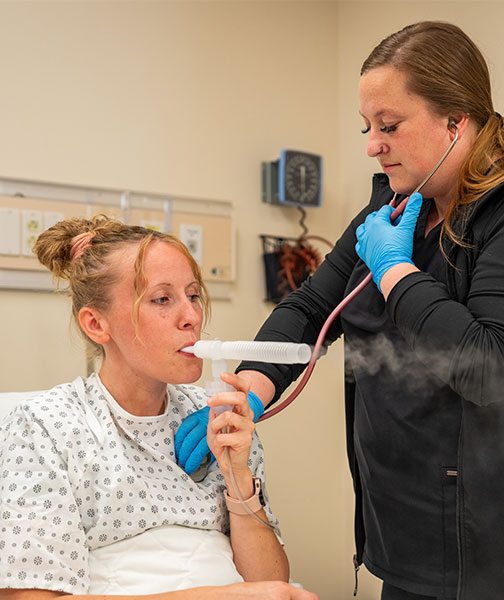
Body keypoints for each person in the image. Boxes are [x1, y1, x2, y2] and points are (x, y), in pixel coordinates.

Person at [175, 20, 504, 600]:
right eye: (368, 126)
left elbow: (491, 367)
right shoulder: (392, 211)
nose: (372, 144)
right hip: (409, 542)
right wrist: (254, 384)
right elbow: (309, 307)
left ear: (457, 120)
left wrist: (398, 274)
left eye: (389, 125)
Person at [0, 215, 318, 600]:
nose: (192, 317)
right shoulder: (46, 427)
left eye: (194, 294)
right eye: (162, 299)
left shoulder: (215, 416)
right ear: (97, 325)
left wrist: (237, 476)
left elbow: (270, 582)